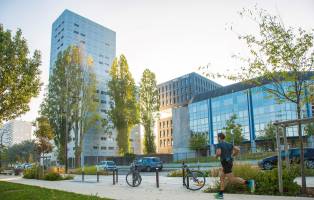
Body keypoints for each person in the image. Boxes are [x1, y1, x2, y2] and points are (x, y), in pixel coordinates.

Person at [214, 132, 255, 199]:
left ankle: (249, 182)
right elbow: (238, 149)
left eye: (217, 137)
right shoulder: (230, 144)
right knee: (222, 177)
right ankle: (220, 194)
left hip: (225, 163)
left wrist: (215, 156)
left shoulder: (219, 144)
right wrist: (233, 155)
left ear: (219, 138)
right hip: (228, 162)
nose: (217, 139)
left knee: (232, 179)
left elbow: (218, 153)